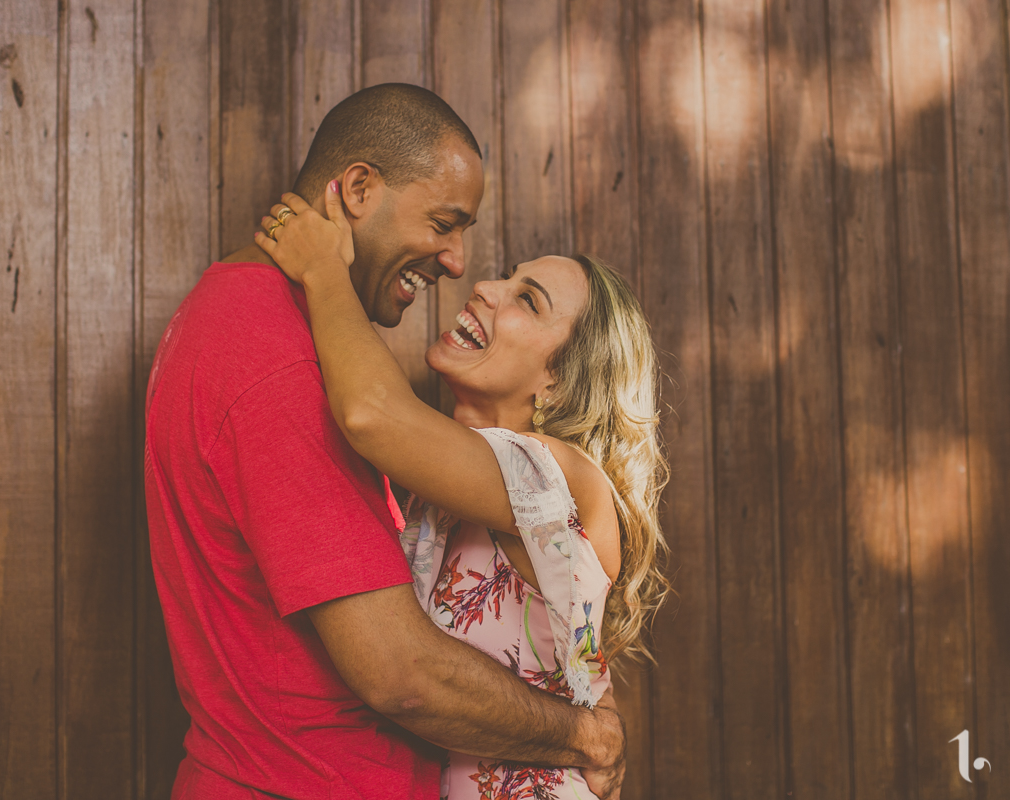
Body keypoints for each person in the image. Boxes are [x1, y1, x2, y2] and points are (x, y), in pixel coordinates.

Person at [144, 83, 627, 800]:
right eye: (444, 222)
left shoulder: (543, 473)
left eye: (527, 298)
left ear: (559, 380)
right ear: (360, 188)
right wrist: (586, 733)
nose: (466, 270)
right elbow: (402, 673)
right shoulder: (282, 358)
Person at [252, 182, 670, 799]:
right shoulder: (433, 493)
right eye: (506, 275)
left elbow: (370, 413)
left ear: (558, 381)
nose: (485, 287)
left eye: (527, 300)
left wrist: (322, 269)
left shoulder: (566, 478)